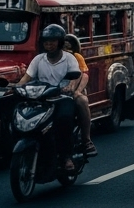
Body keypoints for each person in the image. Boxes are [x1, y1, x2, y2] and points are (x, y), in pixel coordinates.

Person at [20, 25, 85, 171]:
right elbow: (26, 78)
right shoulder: (38, 59)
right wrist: (16, 87)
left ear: (60, 42)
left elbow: (75, 76)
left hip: (62, 98)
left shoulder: (70, 58)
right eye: (46, 42)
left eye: (53, 41)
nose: (49, 45)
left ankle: (66, 157)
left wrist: (70, 86)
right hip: (41, 99)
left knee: (64, 120)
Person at [61, 33, 97, 156]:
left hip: (72, 91)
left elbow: (83, 74)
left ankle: (86, 140)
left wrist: (76, 91)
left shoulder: (76, 57)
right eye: (63, 47)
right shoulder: (48, 58)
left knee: (82, 101)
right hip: (54, 91)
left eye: (68, 47)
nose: (66, 50)